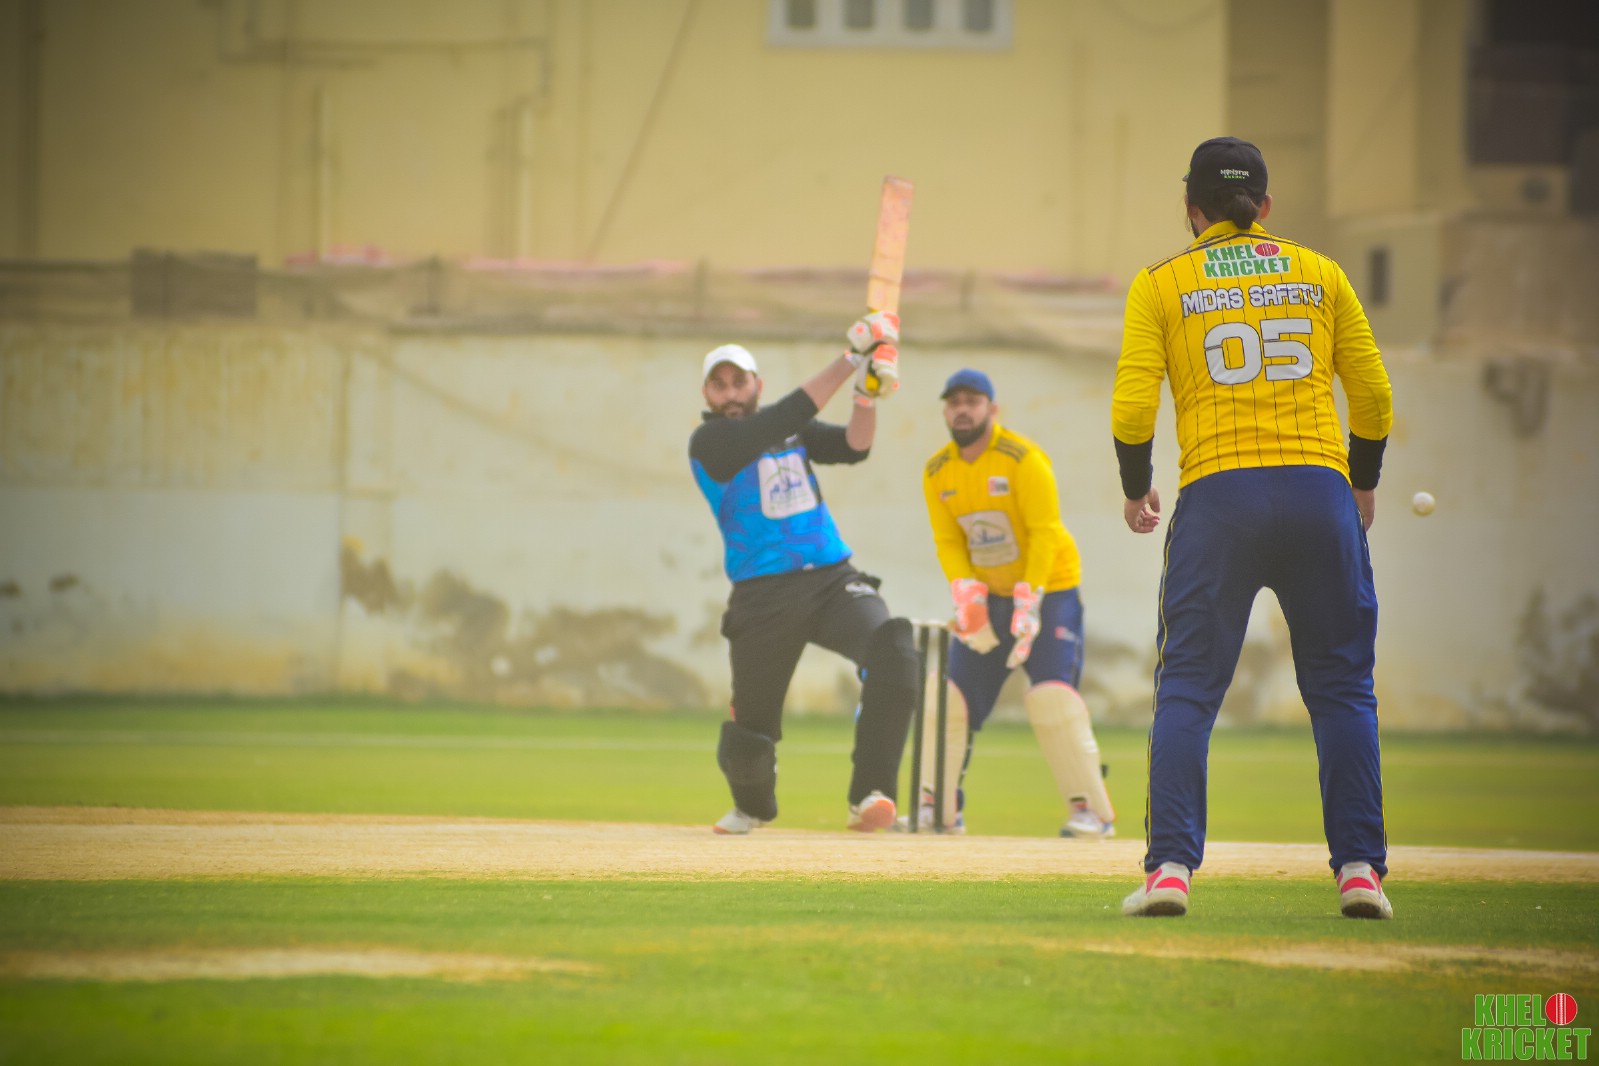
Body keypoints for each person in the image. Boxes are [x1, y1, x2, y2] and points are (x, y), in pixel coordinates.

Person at [1112, 137, 1395, 919]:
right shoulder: (1320, 272)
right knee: (1341, 688)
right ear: (1264, 207)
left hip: (1219, 498)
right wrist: (1361, 481)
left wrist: (1135, 488)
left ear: (1190, 209)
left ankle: (1170, 871)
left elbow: (1132, 408)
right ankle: (1360, 872)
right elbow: (1372, 394)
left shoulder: (1161, 282)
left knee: (1188, 688)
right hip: (1318, 492)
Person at [690, 313, 918, 835]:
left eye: (739, 381)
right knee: (751, 737)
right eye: (718, 384)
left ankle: (870, 794)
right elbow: (778, 420)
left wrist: (866, 395)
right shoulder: (710, 443)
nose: (730, 393)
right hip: (762, 595)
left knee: (894, 650)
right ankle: (751, 805)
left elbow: (855, 446)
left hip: (831, 579)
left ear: (757, 384)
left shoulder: (789, 428)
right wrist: (850, 358)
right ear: (706, 393)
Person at [917, 368, 1115, 838]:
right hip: (989, 598)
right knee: (950, 699)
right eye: (954, 402)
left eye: (972, 401)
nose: (962, 410)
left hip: (1050, 591)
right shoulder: (937, 471)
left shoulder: (1022, 459)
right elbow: (948, 540)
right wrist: (965, 592)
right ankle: (939, 808)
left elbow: (1046, 531)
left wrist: (1031, 596)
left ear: (992, 409)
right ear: (945, 411)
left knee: (1051, 698)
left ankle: (1091, 812)